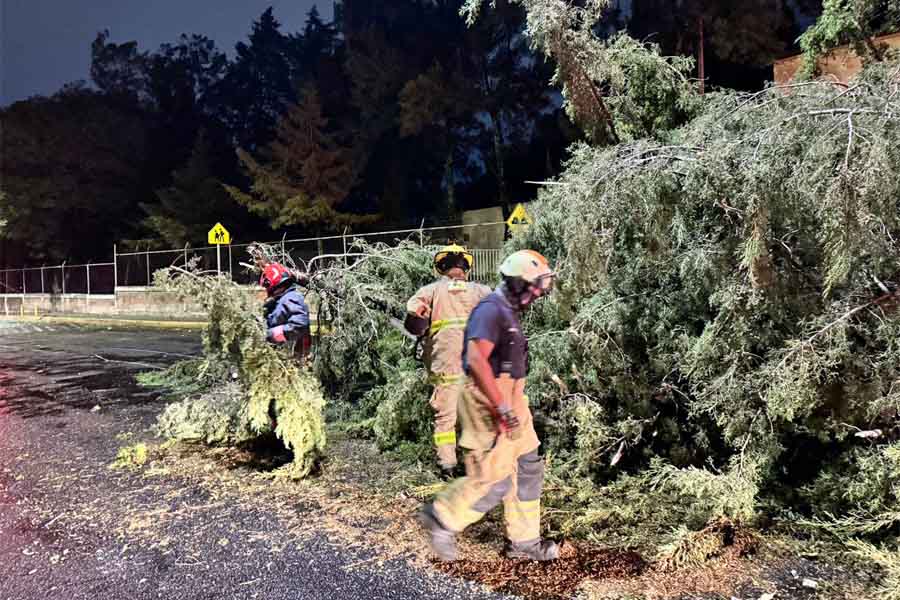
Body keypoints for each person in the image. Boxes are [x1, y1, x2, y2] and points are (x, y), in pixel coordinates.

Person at [420, 250, 559, 562]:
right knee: (493, 479)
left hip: (512, 401)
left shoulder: (507, 312)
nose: (538, 294)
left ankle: (524, 544)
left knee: (527, 467)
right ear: (517, 283)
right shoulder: (491, 310)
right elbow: (476, 358)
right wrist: (500, 407)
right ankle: (441, 518)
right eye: (534, 286)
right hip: (488, 400)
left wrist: (513, 405)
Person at [405, 244, 491, 478]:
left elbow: (414, 317)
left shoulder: (430, 291)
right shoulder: (482, 291)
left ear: (441, 267)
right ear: (466, 268)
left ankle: (447, 466)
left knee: (446, 418)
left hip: (446, 367)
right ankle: (478, 465)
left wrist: (421, 315)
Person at [260, 262, 311, 360]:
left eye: (266, 286)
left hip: (291, 359)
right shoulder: (280, 300)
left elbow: (298, 325)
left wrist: (272, 335)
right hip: (280, 358)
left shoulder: (291, 297)